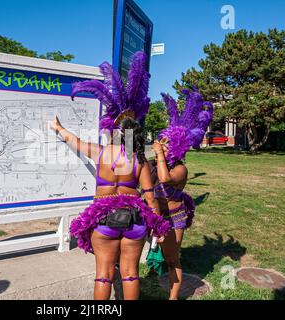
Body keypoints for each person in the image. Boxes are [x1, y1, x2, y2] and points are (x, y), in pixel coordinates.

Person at [49, 51, 171, 300]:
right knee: (130, 274)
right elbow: (150, 199)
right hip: (135, 220)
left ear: (113, 129)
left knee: (103, 274)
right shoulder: (139, 160)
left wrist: (59, 127)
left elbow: (75, 142)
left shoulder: (100, 153)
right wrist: (158, 227)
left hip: (103, 220)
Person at [145, 88, 213, 300]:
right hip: (155, 215)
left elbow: (165, 179)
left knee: (172, 259)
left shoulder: (180, 169)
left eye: (166, 145)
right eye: (161, 143)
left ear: (176, 147)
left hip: (174, 219)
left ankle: (173, 298)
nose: (161, 147)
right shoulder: (156, 163)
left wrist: (158, 155)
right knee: (156, 252)